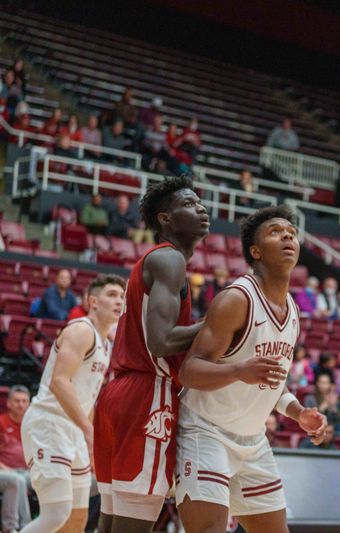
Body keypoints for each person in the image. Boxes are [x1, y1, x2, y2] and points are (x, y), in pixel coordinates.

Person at [177, 205, 326, 533]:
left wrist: (298, 412)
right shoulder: (236, 299)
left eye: (292, 233)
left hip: (253, 440)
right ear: (255, 251)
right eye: (276, 231)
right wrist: (237, 371)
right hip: (206, 431)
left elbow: (271, 382)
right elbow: (189, 372)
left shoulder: (294, 313)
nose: (288, 235)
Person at [93, 175, 209, 532]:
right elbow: (161, 341)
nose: (201, 208)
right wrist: (218, 322)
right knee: (133, 522)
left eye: (199, 202)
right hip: (148, 393)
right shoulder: (170, 259)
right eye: (189, 204)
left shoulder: (157, 261)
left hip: (118, 394)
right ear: (165, 219)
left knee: (110, 522)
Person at [20, 275, 125, 533]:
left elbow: (86, 398)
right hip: (49, 423)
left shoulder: (107, 344)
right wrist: (89, 430)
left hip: (73, 431)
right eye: (111, 294)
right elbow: (59, 382)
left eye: (122, 296)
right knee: (56, 515)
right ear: (93, 301)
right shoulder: (80, 330)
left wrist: (89, 435)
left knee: (77, 519)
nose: (119, 301)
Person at [0, 386, 32, 533]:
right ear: (8, 403)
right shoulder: (1, 422)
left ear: (29, 403)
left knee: (52, 478)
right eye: (17, 400)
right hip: (6, 470)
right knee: (16, 480)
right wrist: (5, 468)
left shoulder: (33, 424)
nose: (21, 404)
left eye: (24, 401)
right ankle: (21, 527)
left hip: (28, 471)